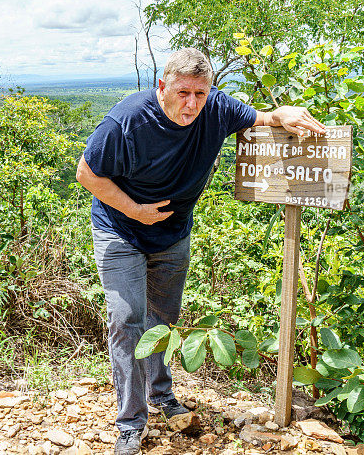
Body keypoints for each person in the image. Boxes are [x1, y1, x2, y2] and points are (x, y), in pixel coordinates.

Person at [75, 47, 325, 455]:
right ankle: (130, 424)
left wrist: (282, 114)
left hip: (172, 235)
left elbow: (260, 117)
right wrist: (135, 210)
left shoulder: (217, 109)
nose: (191, 104)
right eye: (182, 92)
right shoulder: (128, 120)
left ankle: (161, 394)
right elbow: (88, 172)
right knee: (126, 319)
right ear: (162, 86)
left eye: (200, 94)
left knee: (164, 319)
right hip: (120, 230)